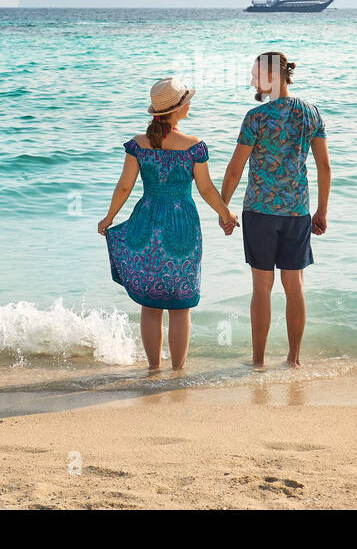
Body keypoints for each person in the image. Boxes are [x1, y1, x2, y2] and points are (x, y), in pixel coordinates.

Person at [98, 77, 238, 371]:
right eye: (187, 101)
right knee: (180, 304)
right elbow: (206, 190)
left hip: (146, 221)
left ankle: (152, 369)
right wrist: (227, 215)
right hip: (182, 226)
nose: (189, 104)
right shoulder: (194, 146)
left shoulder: (138, 145)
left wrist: (109, 218)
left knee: (150, 304)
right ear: (179, 109)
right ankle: (177, 371)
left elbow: (124, 187)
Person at [220, 51, 330, 367]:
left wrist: (223, 208)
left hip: (260, 211)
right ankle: (294, 360)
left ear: (273, 76)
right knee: (294, 285)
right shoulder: (311, 114)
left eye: (257, 74)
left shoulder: (256, 117)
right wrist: (321, 210)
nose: (254, 80)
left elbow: (234, 169)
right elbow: (324, 166)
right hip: (297, 211)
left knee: (261, 286)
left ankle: (258, 361)